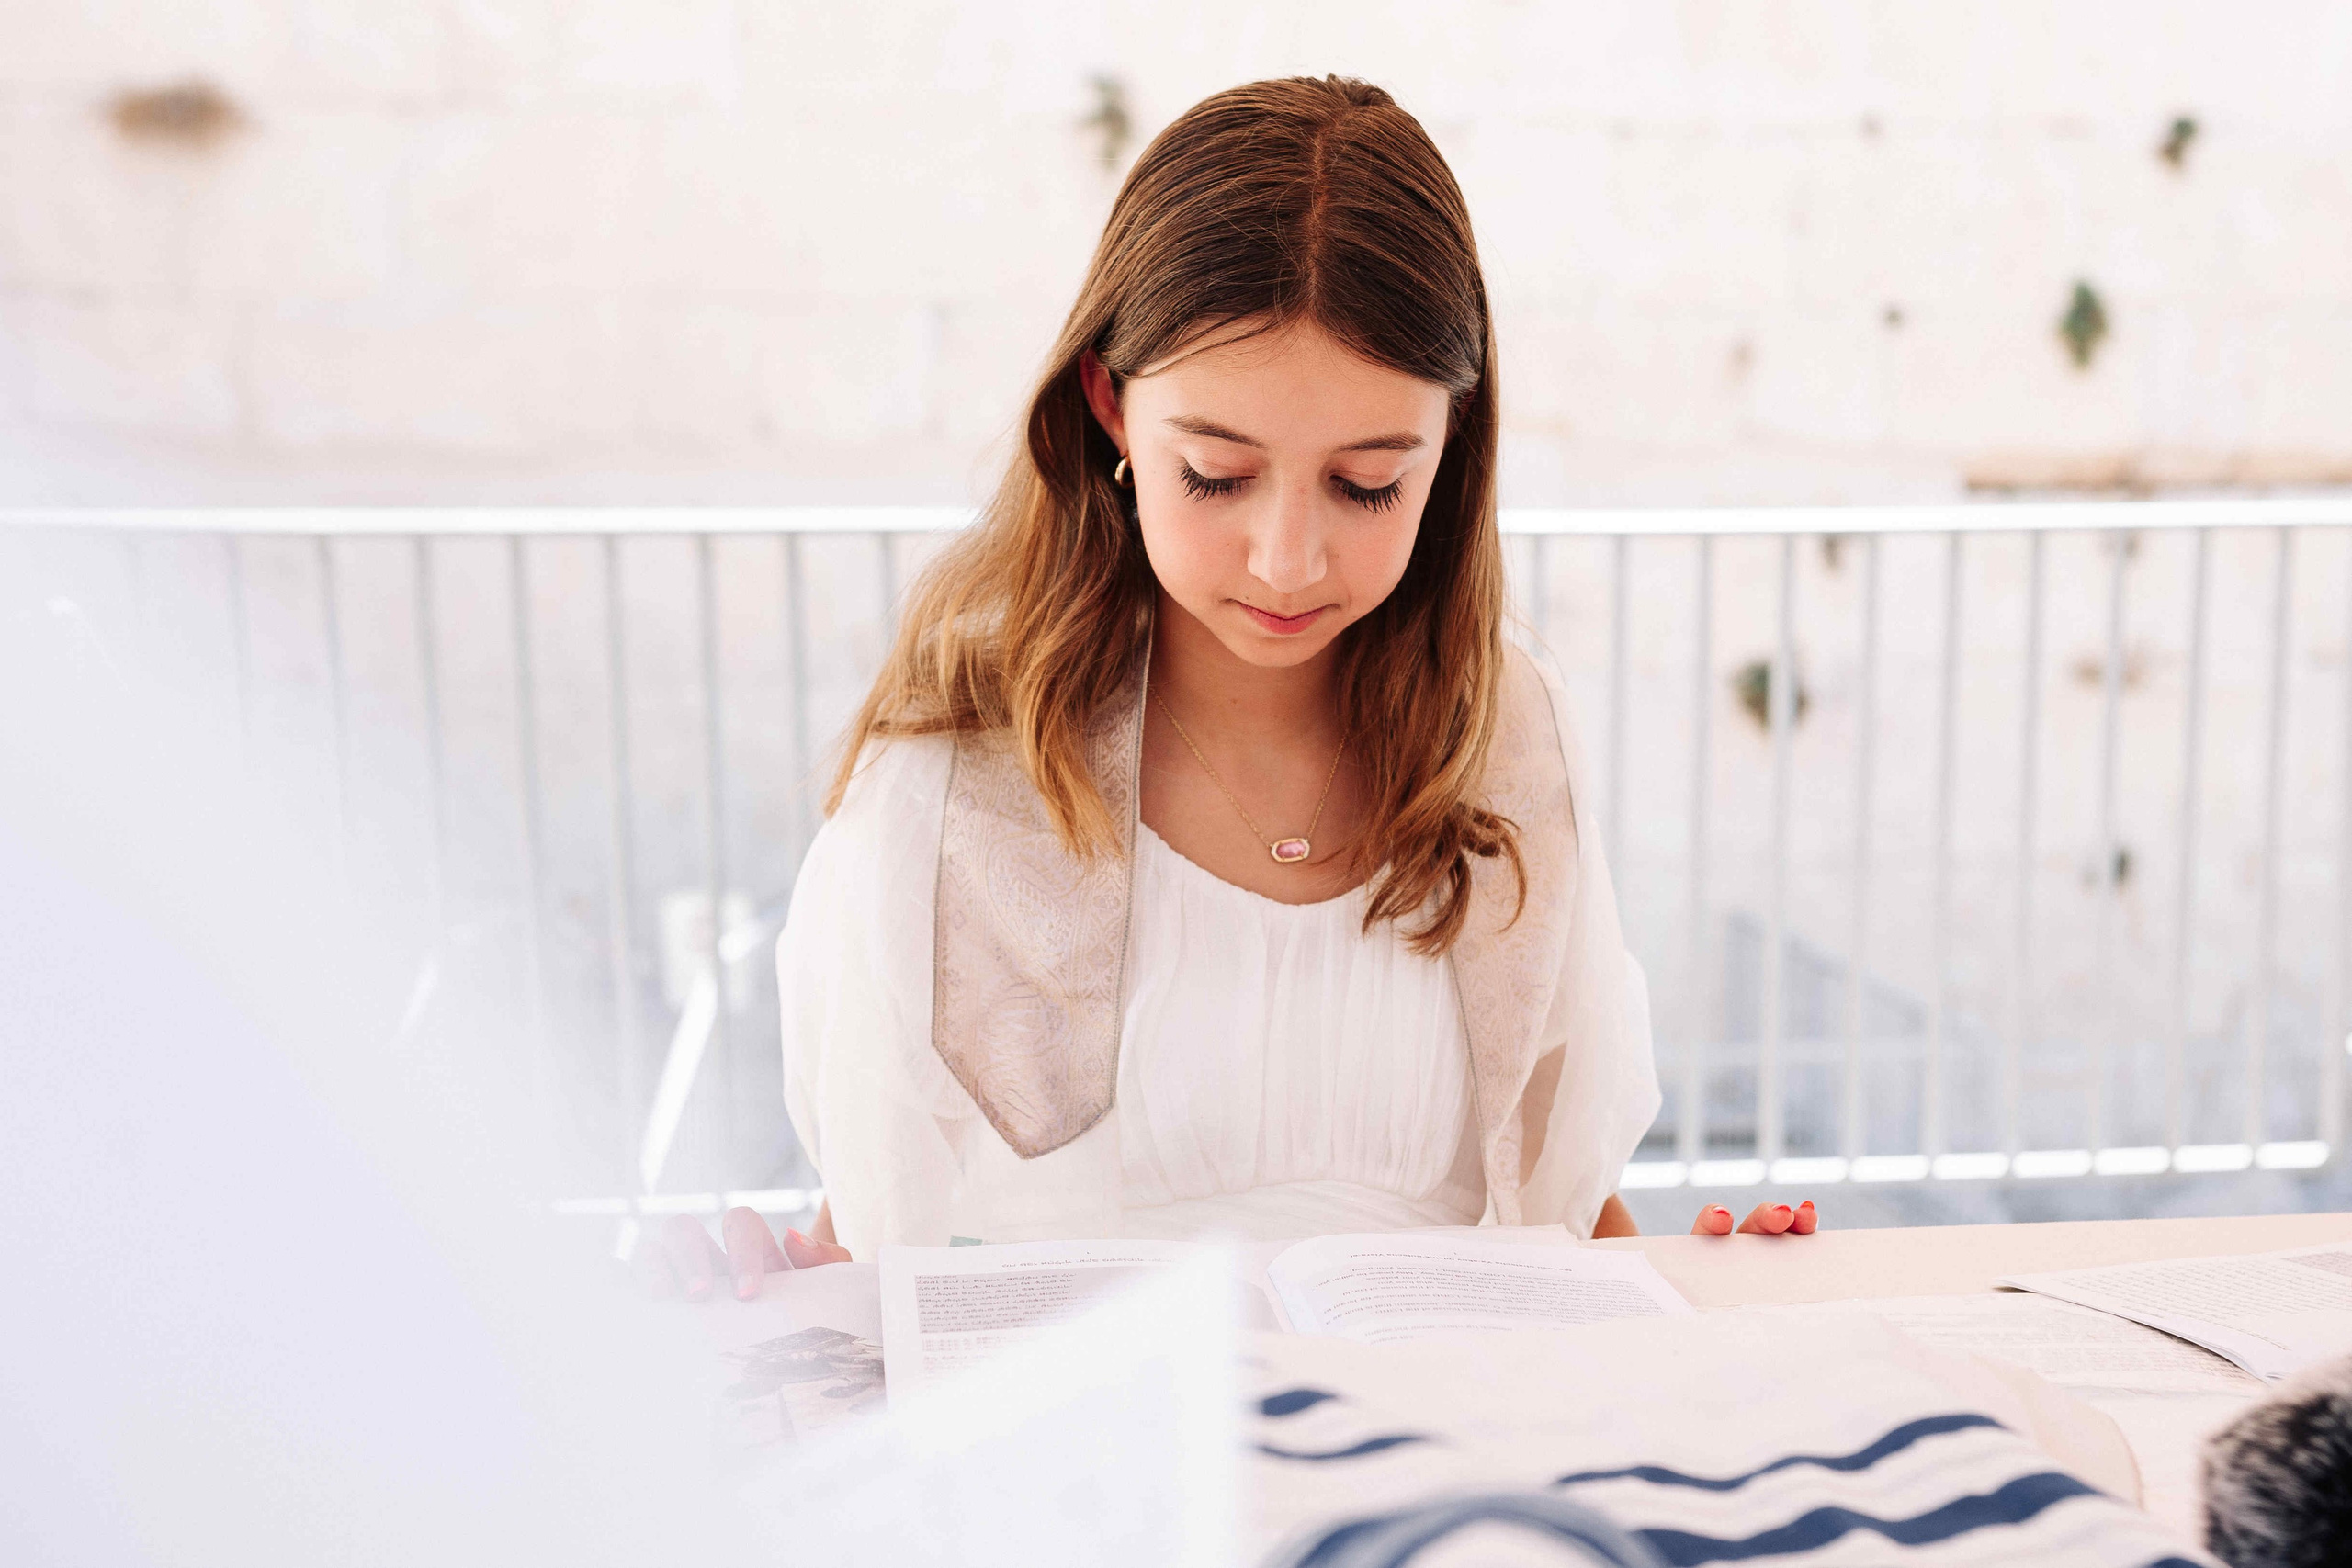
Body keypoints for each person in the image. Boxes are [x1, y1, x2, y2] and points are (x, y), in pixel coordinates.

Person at [651, 75, 1815, 1300]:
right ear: (1107, 401)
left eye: (1368, 483)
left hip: (1440, 1456)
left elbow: (1560, 1219)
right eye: (1215, 472)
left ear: (1452, 448)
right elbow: (874, 1240)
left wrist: (1708, 1294)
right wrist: (745, 1307)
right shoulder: (951, 778)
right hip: (1098, 1470)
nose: (1287, 560)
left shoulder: (1506, 734)